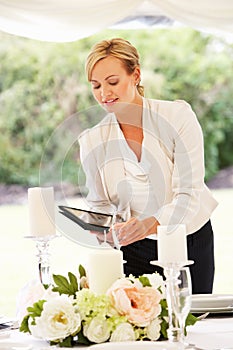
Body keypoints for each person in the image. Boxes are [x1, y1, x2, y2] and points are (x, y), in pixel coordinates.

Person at [78, 38, 218, 294]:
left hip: (189, 240)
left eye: (112, 82)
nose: (104, 94)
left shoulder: (178, 117)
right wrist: (101, 228)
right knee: (140, 325)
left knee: (192, 320)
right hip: (134, 248)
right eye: (96, 86)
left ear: (136, 75)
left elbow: (189, 193)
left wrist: (148, 224)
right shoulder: (92, 140)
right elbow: (99, 204)